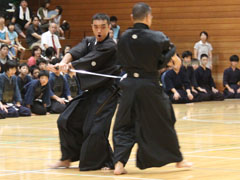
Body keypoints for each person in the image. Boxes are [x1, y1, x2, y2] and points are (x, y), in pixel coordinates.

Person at [112, 3, 192, 175]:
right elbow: (172, 58)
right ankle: (178, 159)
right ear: (149, 17)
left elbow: (120, 60)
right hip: (150, 84)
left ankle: (119, 163)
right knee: (165, 119)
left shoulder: (123, 37)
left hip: (129, 85)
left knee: (124, 123)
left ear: (132, 18)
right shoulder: (158, 37)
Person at [50, 13, 120, 171]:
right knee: (65, 120)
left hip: (107, 93)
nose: (99, 30)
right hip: (90, 91)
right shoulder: (89, 41)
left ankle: (106, 161)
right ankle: (67, 158)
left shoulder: (111, 46)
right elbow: (75, 51)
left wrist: (70, 67)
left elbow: (89, 60)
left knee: (93, 128)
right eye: (96, 27)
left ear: (109, 27)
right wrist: (63, 62)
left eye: (103, 27)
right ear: (92, 28)